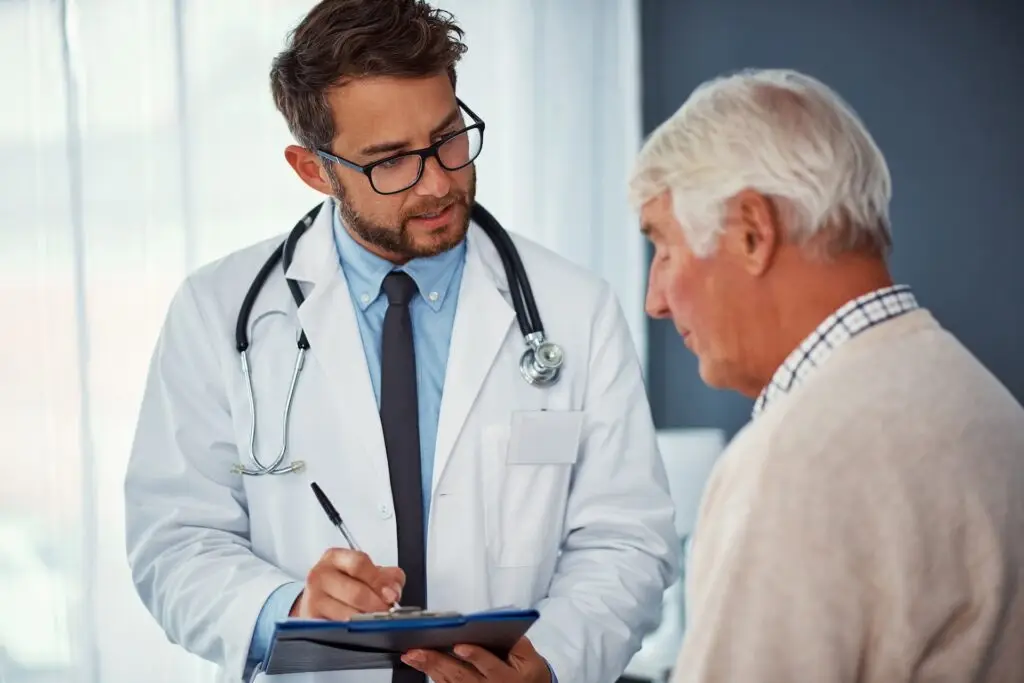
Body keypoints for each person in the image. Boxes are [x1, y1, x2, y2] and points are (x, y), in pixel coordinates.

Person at [124, 1, 679, 682]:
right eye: (390, 162)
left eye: (448, 138)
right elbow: (174, 541)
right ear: (313, 169)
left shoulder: (574, 307)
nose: (440, 182)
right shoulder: (216, 314)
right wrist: (287, 603)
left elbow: (627, 539)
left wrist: (550, 663)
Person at [629, 67, 1024, 682]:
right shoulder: (985, 403)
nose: (654, 299)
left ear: (752, 233)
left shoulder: (799, 460)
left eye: (665, 247)